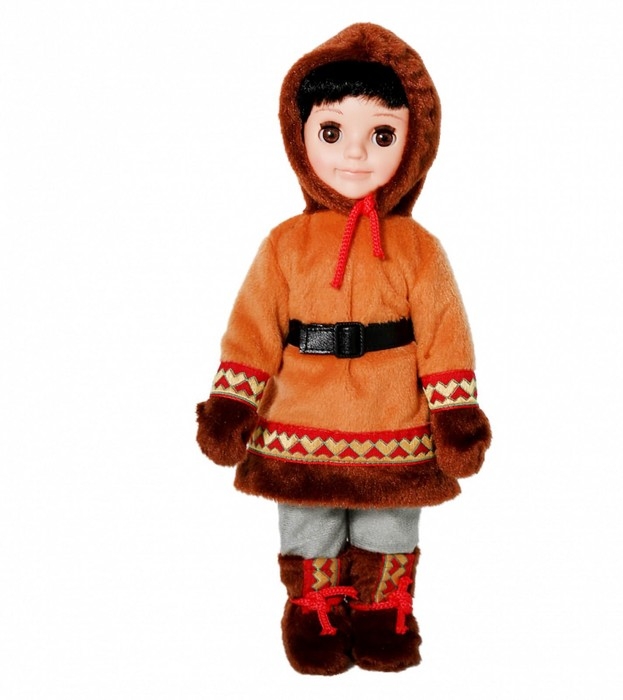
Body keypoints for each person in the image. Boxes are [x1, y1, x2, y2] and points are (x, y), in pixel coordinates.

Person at [196, 23, 491, 675]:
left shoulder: (420, 250)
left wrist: (456, 414)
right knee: (309, 525)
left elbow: (445, 334)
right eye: (332, 132)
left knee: (391, 526)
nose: (354, 155)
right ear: (298, 135)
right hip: (300, 424)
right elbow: (252, 328)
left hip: (395, 426)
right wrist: (231, 402)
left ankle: (386, 612)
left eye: (381, 135)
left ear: (414, 141)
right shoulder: (285, 244)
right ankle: (316, 613)